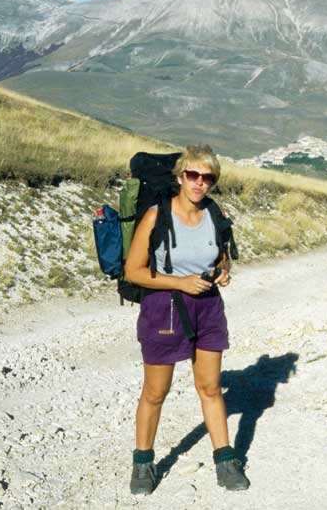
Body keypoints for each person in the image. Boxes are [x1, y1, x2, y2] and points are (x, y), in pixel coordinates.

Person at [124, 145, 250, 495]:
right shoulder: (156, 214)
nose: (199, 182)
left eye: (207, 177)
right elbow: (133, 271)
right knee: (155, 391)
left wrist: (222, 272)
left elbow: (223, 257)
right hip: (164, 306)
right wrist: (179, 282)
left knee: (210, 387)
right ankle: (143, 462)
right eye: (193, 175)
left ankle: (225, 459)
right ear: (180, 176)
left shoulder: (214, 212)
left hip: (208, 305)